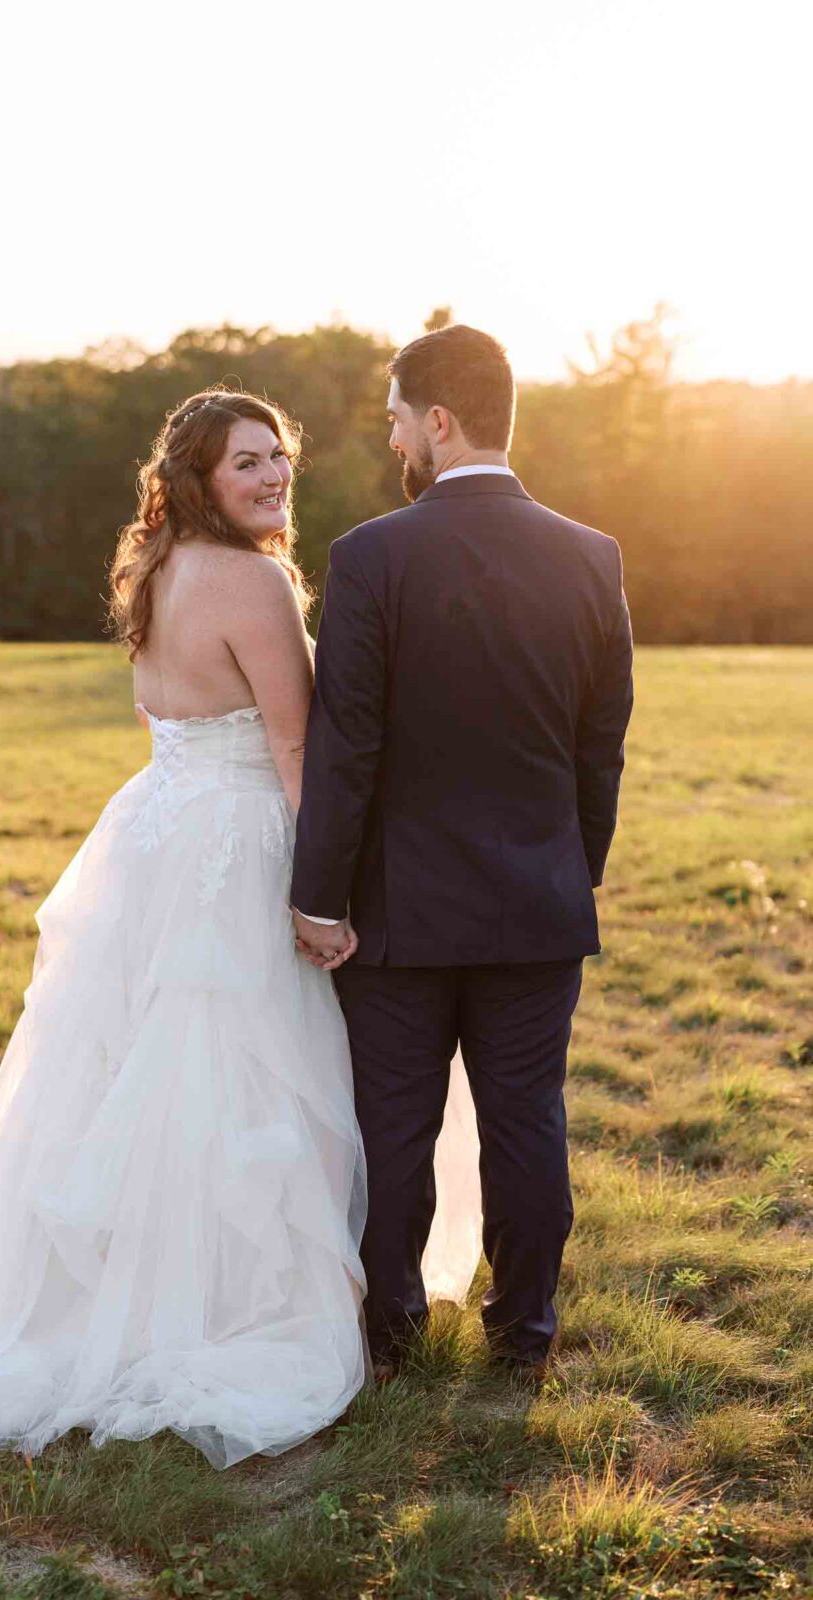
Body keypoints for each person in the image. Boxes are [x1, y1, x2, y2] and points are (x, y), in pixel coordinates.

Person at [0, 389, 482, 1468]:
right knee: (247, 1067)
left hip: (158, 830)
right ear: (198, 479)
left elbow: (157, 714)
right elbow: (296, 748)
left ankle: (129, 1285)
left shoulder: (157, 570)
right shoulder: (254, 581)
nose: (273, 476)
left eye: (278, 457)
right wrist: (325, 890)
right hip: (241, 839)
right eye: (245, 462)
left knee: (143, 1068)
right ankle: (232, 1301)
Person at [291, 325, 634, 1382]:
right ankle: (522, 1336)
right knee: (527, 1121)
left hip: (398, 910)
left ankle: (392, 1336)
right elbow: (600, 746)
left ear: (437, 420)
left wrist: (319, 897)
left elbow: (346, 748)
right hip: (537, 900)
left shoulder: (369, 556)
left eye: (397, 418)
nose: (394, 437)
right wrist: (571, 869)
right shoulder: (590, 556)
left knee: (393, 1127)